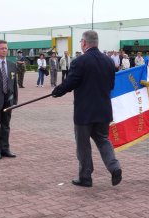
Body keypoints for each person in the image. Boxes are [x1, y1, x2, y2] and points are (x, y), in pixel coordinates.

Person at [52, 30, 122, 187]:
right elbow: (111, 85)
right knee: (103, 140)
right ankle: (114, 167)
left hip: (84, 113)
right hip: (103, 110)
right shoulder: (109, 62)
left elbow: (70, 83)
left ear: (84, 43)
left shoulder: (80, 61)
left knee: (83, 145)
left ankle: (85, 177)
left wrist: (57, 92)